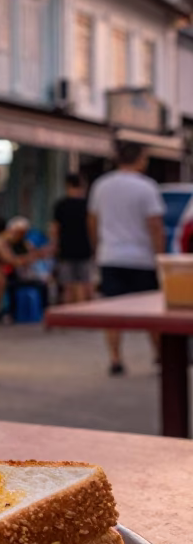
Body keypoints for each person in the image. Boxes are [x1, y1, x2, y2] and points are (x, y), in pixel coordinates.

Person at [87, 142, 164, 376]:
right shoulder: (147, 187)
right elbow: (155, 226)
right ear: (140, 159)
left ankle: (115, 358)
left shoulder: (101, 185)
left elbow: (92, 221)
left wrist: (98, 249)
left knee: (112, 311)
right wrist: (159, 257)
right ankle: (159, 354)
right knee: (153, 311)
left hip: (110, 256)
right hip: (141, 258)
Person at [0, 217, 51, 321]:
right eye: (19, 232)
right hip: (10, 276)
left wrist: (33, 256)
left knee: (43, 285)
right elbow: (11, 260)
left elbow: (33, 257)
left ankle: (44, 312)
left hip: (24, 275)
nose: (21, 235)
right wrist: (26, 259)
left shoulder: (26, 244)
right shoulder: (3, 244)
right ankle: (9, 312)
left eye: (24, 232)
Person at [51, 174, 93, 304]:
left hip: (66, 249)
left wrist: (55, 246)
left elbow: (54, 229)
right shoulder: (88, 205)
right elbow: (93, 227)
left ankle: (67, 317)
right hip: (85, 248)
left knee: (67, 286)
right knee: (86, 284)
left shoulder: (60, 205)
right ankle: (85, 315)